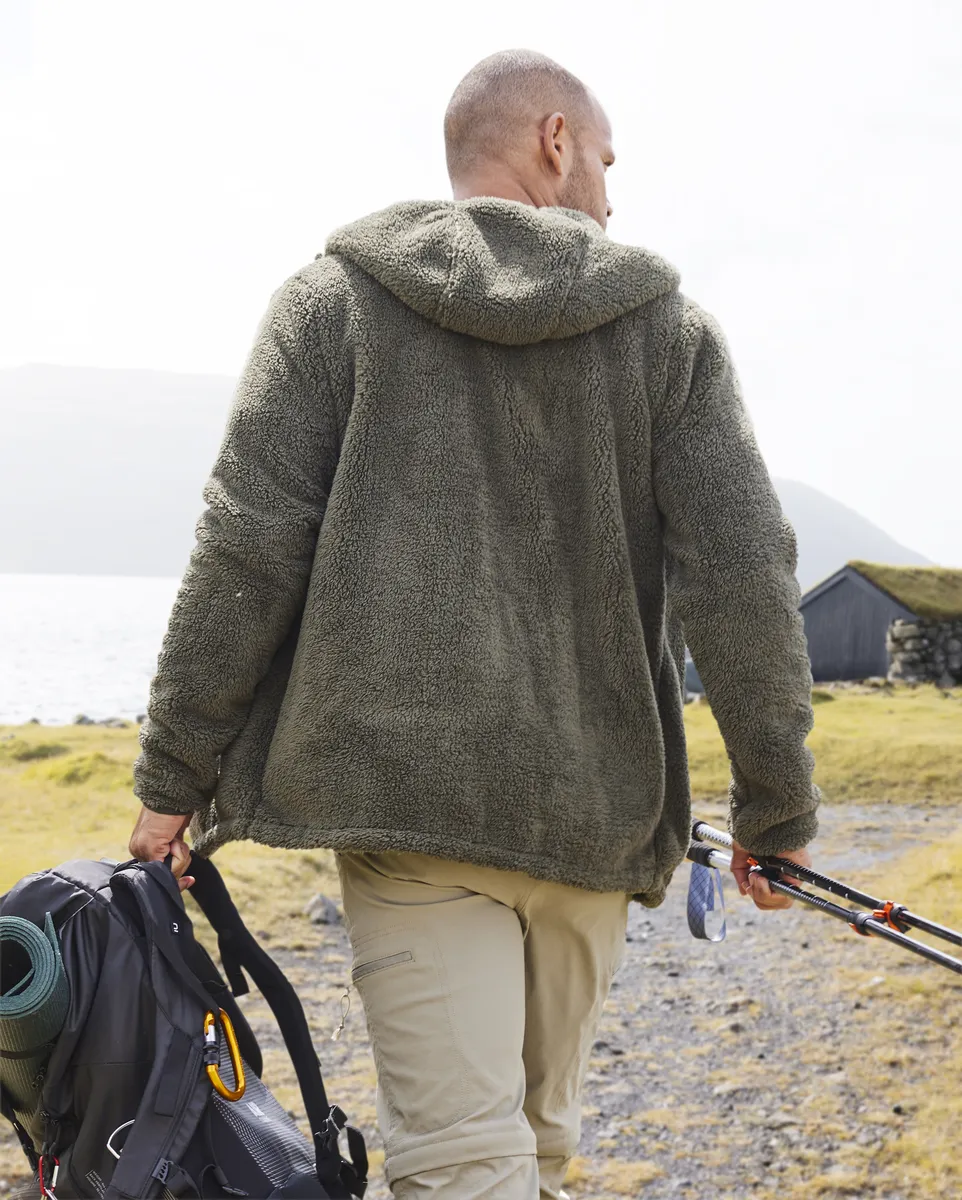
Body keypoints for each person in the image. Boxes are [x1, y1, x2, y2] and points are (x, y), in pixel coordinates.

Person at [129, 49, 818, 1200]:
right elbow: (742, 576)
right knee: (522, 1156)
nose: (610, 196)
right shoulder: (668, 335)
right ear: (554, 141)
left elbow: (246, 546)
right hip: (595, 816)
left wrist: (170, 777)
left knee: (469, 1162)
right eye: (605, 162)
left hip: (410, 815)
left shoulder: (332, 305)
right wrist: (776, 810)